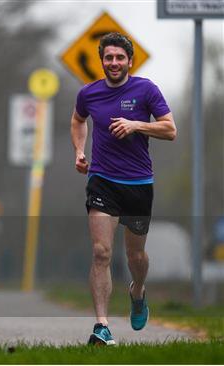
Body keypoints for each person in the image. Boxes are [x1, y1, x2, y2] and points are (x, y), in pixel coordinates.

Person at [70, 32, 176, 346]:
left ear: (130, 61)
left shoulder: (146, 90)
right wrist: (79, 150)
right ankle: (102, 325)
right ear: (101, 61)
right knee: (101, 252)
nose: (114, 63)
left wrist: (136, 125)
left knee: (136, 256)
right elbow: (78, 120)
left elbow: (170, 129)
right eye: (108, 58)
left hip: (139, 183)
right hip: (102, 179)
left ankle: (137, 291)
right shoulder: (89, 93)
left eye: (120, 58)